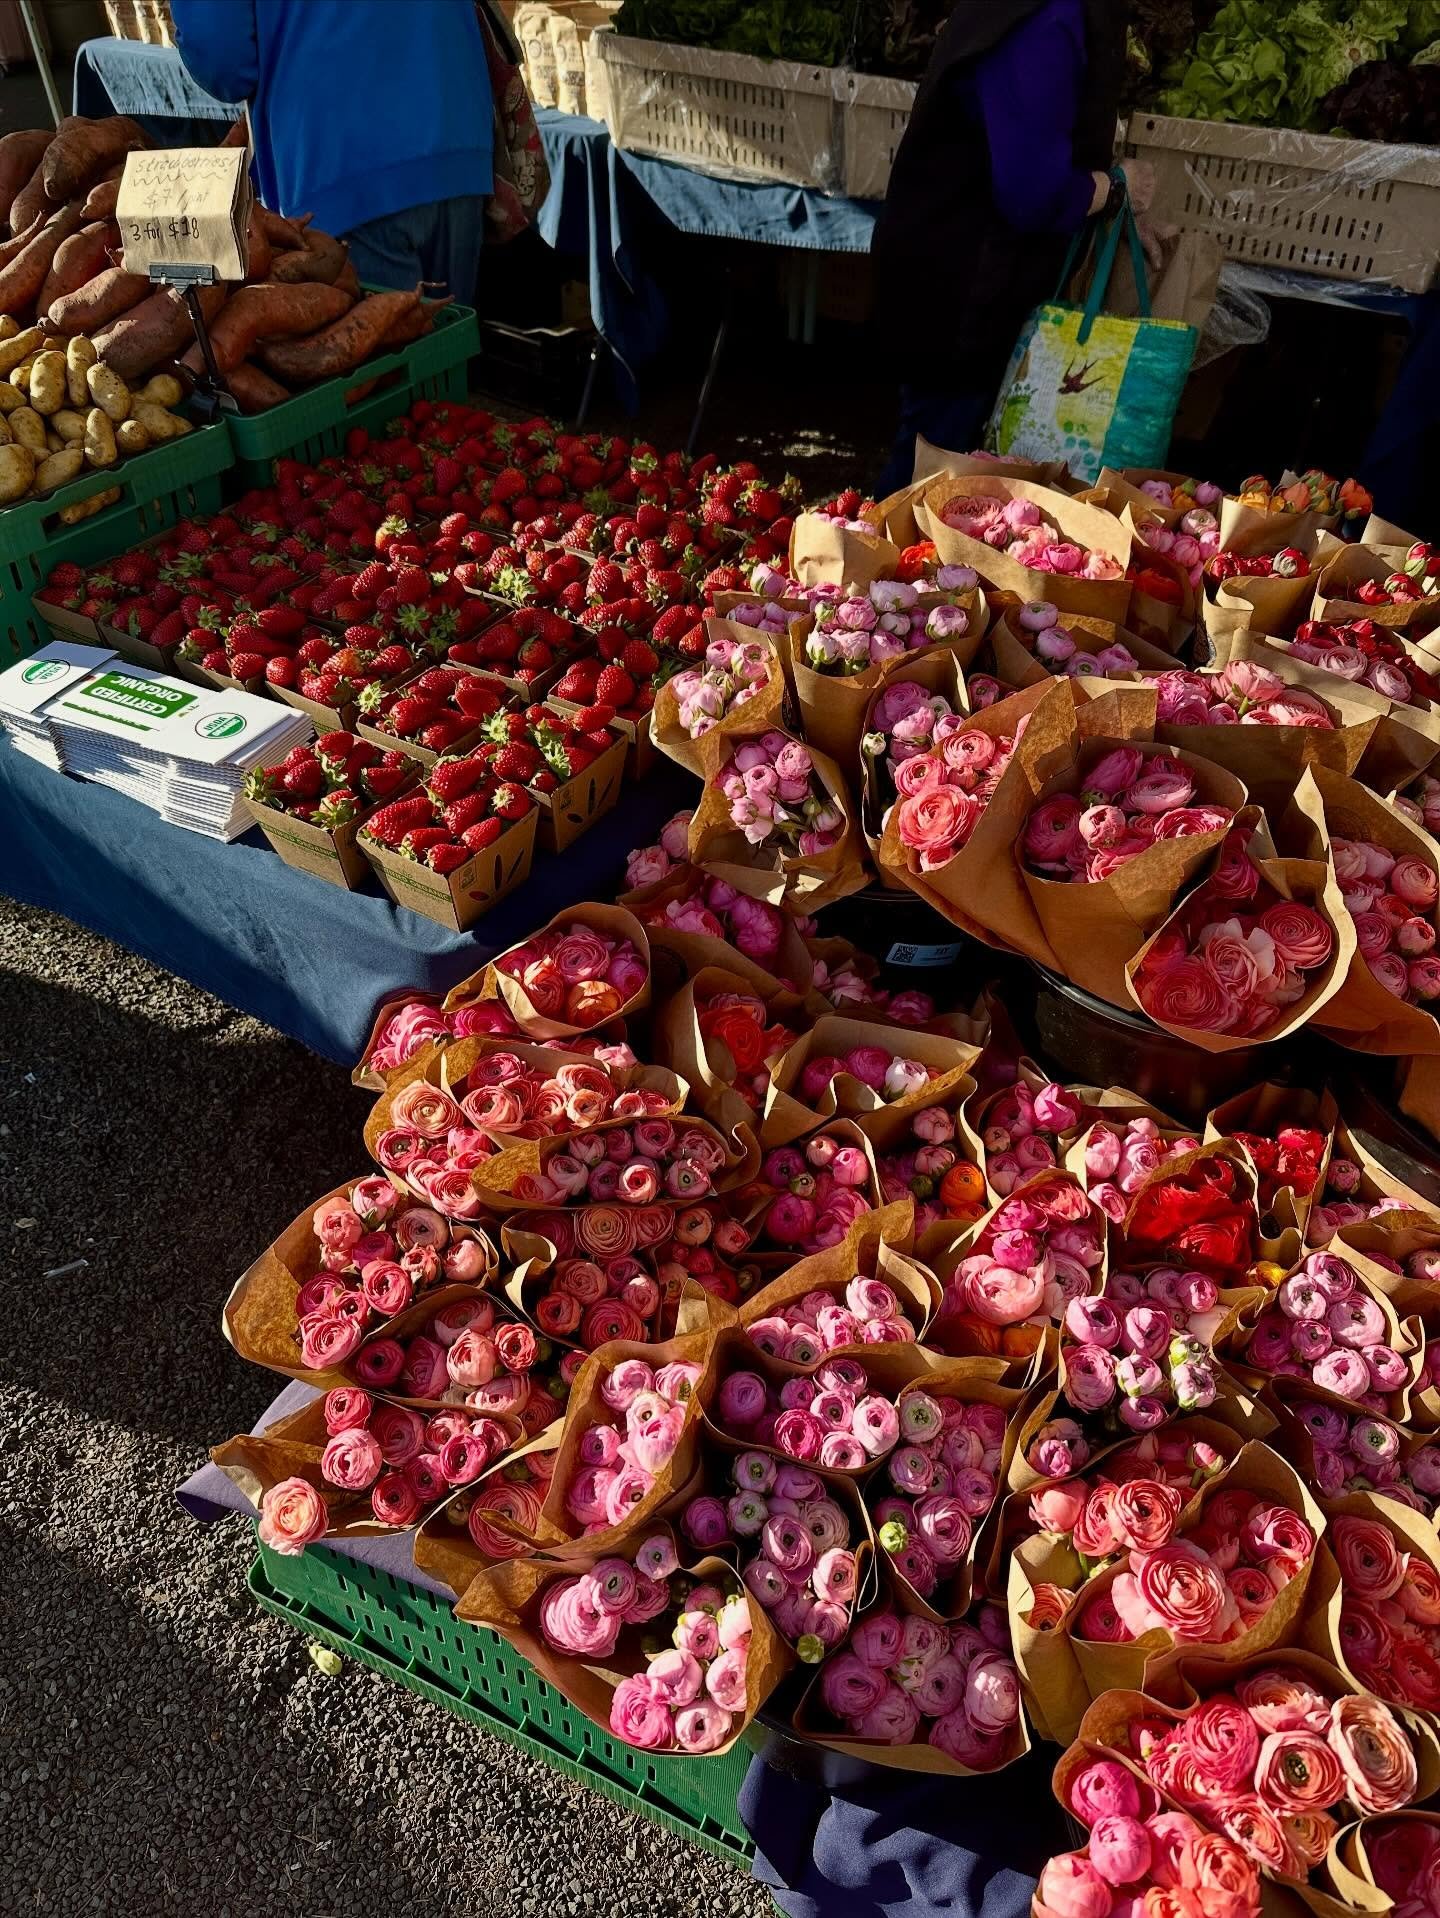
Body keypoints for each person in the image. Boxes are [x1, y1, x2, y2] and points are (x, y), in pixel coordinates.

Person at [871, 0, 1143, 493]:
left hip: (955, 265)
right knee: (933, 479)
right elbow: (1033, 192)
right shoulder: (1045, 21)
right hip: (963, 284)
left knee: (939, 471)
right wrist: (1113, 189)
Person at [171, 0, 493, 300]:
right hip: (457, 125)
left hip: (342, 157)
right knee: (450, 338)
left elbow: (221, 56)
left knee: (391, 353)